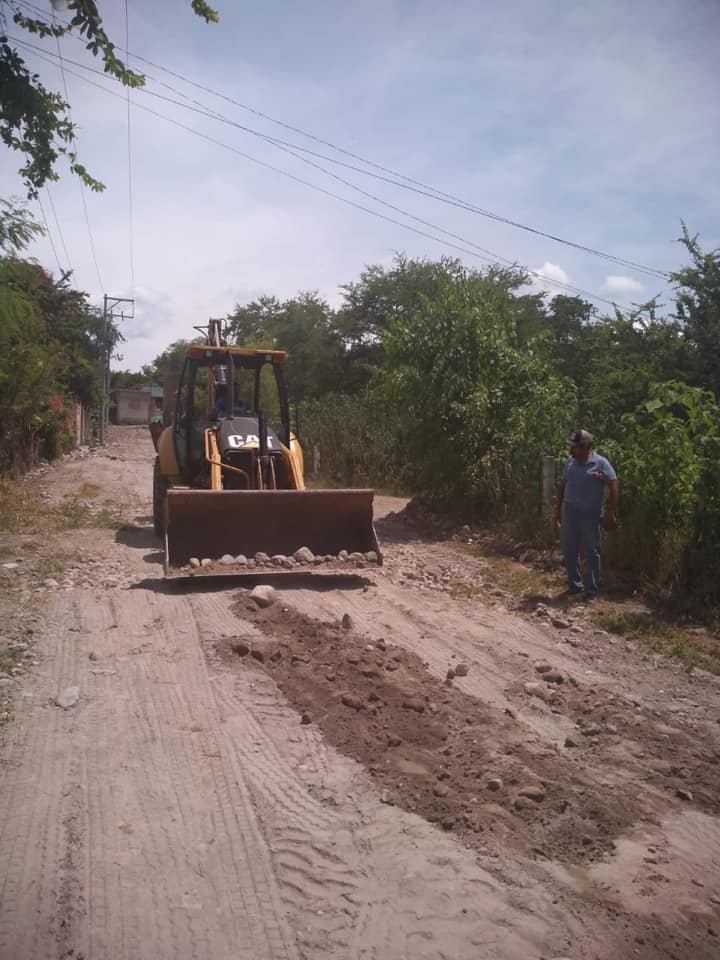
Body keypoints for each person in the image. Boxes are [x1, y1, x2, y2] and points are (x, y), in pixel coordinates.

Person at [555, 429, 618, 600]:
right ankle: (575, 585)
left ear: (586, 446)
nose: (572, 450)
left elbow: (613, 487)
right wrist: (558, 513)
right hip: (570, 513)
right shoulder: (570, 463)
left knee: (592, 551)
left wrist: (611, 513)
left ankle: (591, 591)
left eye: (575, 447)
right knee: (569, 550)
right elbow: (562, 486)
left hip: (591, 515)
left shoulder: (601, 464)